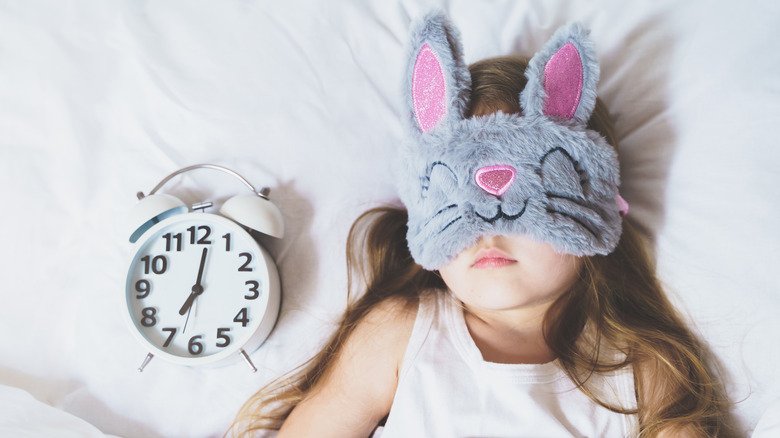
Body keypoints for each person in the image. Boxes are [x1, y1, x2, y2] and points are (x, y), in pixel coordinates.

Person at [229, 11, 738, 438]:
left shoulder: (640, 370)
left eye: (527, 196)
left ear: (593, 207)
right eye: (458, 202)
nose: (486, 228)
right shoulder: (402, 334)